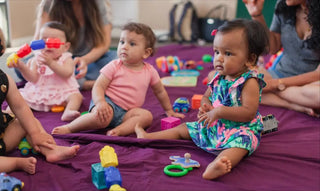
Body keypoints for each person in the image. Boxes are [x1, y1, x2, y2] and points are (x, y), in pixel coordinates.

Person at [135, 19, 269, 180]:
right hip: (216, 126)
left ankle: (220, 163)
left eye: (227, 53)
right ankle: (149, 137)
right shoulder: (219, 77)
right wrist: (206, 106)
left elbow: (248, 112)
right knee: (186, 128)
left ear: (249, 59)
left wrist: (219, 111)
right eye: (216, 52)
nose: (219, 58)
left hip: (239, 129)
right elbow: (207, 96)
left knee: (241, 145)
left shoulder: (249, 82)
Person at [52, 22, 185, 136]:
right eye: (122, 42)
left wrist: (168, 110)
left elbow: (160, 91)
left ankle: (119, 130)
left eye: (132, 44)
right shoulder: (114, 66)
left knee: (146, 116)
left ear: (146, 52)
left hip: (128, 112)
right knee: (102, 119)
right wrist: (100, 102)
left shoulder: (150, 71)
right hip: (108, 103)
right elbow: (99, 86)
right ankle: (70, 127)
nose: (124, 46)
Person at [0, 28, 79, 175]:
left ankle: (51, 150)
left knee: (29, 122)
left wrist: (35, 133)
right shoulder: (34, 61)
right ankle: (15, 163)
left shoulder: (5, 80)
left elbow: (20, 107)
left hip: (4, 138)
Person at [16, 0, 117, 90]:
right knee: (21, 65)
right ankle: (87, 83)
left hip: (89, 61)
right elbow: (38, 41)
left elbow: (104, 44)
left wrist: (85, 60)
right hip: (58, 60)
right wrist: (45, 59)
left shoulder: (99, 3)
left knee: (118, 60)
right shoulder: (49, 3)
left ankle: (60, 81)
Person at [243, 0, 320, 117]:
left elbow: (318, 74)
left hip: (311, 84)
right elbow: (273, 48)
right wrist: (256, 15)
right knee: (222, 78)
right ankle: (295, 104)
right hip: (281, 74)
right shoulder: (283, 5)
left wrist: (274, 85)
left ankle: (266, 91)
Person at [8, 21, 83, 122]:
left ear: (65, 47)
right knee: (19, 97)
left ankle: (69, 111)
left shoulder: (66, 58)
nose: (48, 45)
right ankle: (10, 113)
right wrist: (22, 67)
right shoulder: (36, 59)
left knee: (76, 96)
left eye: (53, 42)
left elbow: (67, 73)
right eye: (44, 41)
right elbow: (32, 78)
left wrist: (51, 63)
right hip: (39, 92)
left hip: (62, 92)